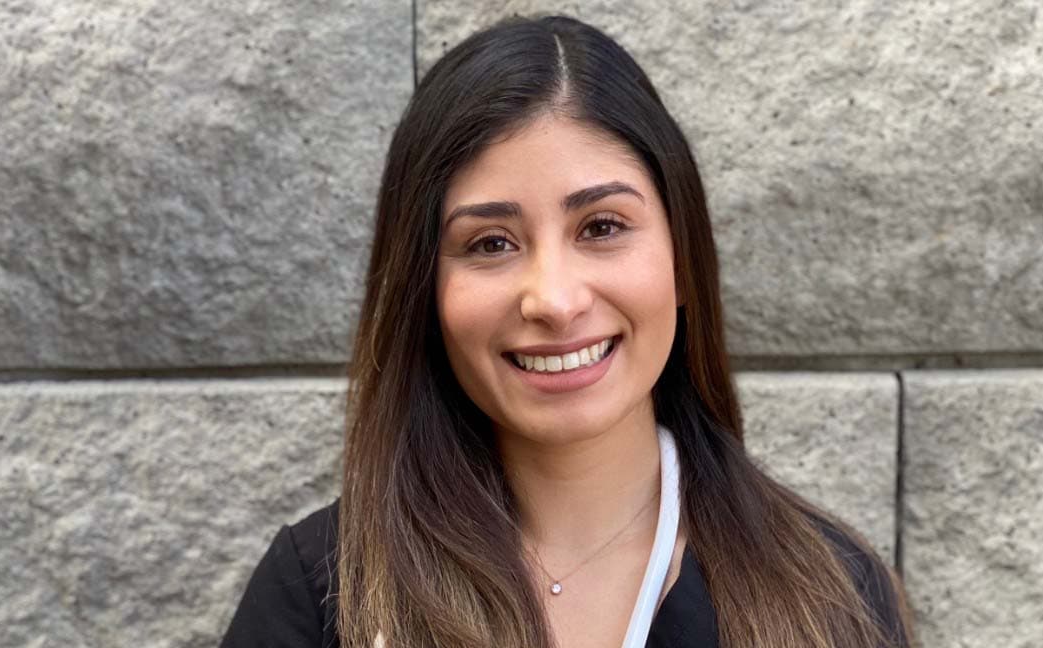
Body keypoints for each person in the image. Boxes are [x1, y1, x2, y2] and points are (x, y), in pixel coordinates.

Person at [221, 14, 914, 648]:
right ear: (423, 291)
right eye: (490, 243)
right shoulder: (322, 596)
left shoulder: (830, 591)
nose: (553, 299)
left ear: (683, 261)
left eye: (602, 227)